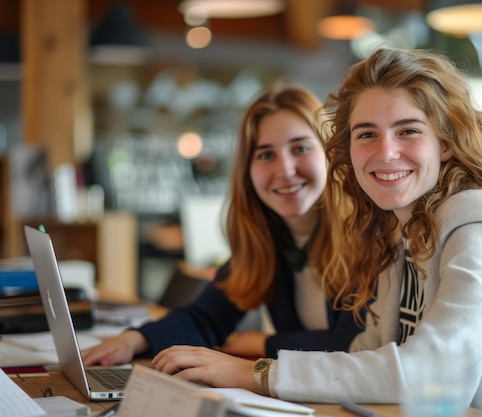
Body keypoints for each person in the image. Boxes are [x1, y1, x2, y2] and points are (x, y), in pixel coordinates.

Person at [149, 48, 482, 417]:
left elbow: (437, 374)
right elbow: (365, 352)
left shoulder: (477, 220)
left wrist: (256, 372)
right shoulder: (400, 229)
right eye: (366, 134)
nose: (385, 152)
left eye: (408, 130)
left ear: (445, 143)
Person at [82, 84, 364, 366]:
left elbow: (355, 345)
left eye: (300, 148)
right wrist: (133, 340)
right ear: (248, 172)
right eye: (266, 155)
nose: (285, 170)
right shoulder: (269, 240)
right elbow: (205, 317)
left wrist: (265, 342)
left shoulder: (364, 237)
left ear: (329, 153)